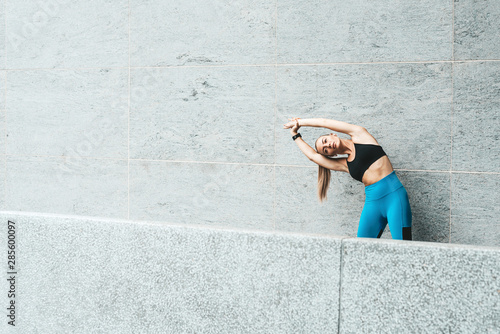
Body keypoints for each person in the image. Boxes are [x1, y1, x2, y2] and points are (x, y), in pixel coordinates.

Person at [283, 117, 412, 240]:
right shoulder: (345, 164)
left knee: (404, 247)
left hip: (394, 197)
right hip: (373, 203)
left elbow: (324, 122)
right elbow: (313, 156)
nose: (328, 145)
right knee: (360, 249)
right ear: (333, 155)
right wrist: (295, 135)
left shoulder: (359, 134)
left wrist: (299, 122)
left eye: (325, 141)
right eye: (326, 150)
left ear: (333, 134)